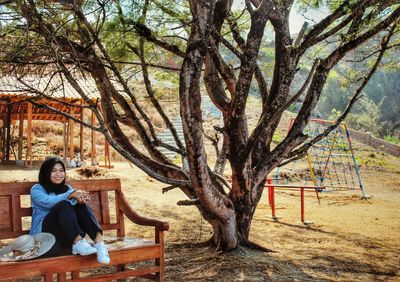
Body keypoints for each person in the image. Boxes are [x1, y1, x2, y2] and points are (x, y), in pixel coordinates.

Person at [29, 157, 110, 264]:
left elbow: (76, 205)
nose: (58, 174)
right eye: (53, 171)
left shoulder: (66, 188)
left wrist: (81, 198)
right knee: (64, 204)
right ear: (46, 172)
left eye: (61, 170)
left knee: (81, 206)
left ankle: (99, 244)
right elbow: (48, 202)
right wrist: (71, 195)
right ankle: (78, 242)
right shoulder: (37, 189)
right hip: (43, 237)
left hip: (65, 235)